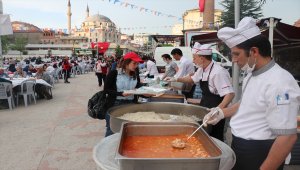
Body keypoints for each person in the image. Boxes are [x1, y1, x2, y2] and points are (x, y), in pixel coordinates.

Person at [203, 17, 300, 170]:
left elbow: (287, 137)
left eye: (236, 54)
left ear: (254, 51)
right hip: (239, 145)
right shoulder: (251, 74)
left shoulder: (280, 82)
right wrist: (221, 112)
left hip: (260, 152)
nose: (233, 60)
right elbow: (245, 103)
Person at [166, 42, 235, 141]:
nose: (193, 61)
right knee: (206, 137)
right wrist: (176, 79)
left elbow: (230, 94)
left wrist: (217, 110)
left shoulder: (218, 72)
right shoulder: (202, 69)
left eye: (194, 58)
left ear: (202, 58)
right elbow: (192, 79)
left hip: (218, 111)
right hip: (206, 107)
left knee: (216, 138)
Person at [104, 52, 144, 137]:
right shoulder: (114, 73)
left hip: (130, 105)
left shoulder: (135, 74)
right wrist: (121, 93)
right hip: (115, 104)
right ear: (126, 62)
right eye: (134, 63)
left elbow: (137, 88)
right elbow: (106, 90)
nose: (136, 66)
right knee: (112, 130)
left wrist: (146, 93)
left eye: (137, 64)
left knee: (129, 130)